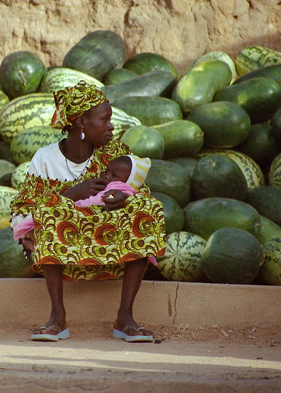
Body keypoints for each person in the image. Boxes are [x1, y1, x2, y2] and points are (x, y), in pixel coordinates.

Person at [10, 80, 166, 343]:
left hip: (109, 242)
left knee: (148, 208)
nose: (111, 126)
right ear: (81, 123)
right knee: (49, 212)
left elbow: (142, 193)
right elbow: (21, 214)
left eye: (111, 120)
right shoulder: (45, 158)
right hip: (64, 243)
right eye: (104, 120)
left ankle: (125, 318)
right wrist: (68, 196)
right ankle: (57, 318)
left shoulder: (116, 154)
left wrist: (125, 199)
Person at [12, 155, 152, 242]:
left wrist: (73, 202)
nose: (107, 176)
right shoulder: (45, 157)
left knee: (42, 223)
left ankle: (31, 233)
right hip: (82, 227)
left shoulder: (118, 189)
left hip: (92, 230)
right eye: (106, 172)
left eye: (113, 175)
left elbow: (98, 201)